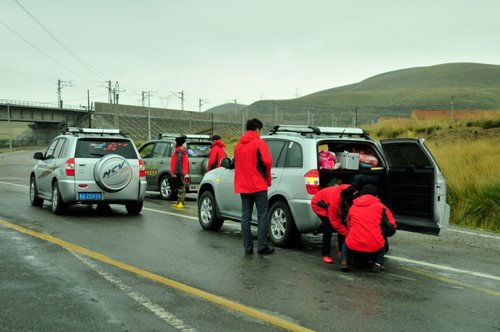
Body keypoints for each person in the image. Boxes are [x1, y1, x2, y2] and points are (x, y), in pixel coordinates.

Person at [234, 118, 274, 256]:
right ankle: (262, 247)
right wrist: (267, 180)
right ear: (257, 129)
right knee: (262, 216)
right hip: (258, 185)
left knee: (245, 217)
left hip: (243, 186)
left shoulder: (238, 145)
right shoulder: (259, 143)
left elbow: (236, 165)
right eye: (260, 130)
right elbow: (268, 162)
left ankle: (248, 248)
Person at [340, 184, 397, 272]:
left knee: (346, 241)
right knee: (382, 239)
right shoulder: (381, 207)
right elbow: (392, 228)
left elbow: (348, 226)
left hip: (353, 247)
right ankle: (377, 263)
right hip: (374, 248)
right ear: (376, 196)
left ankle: (344, 261)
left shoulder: (352, 207)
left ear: (361, 195)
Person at [311, 184, 356, 264]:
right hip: (320, 204)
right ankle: (326, 254)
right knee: (328, 227)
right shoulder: (334, 202)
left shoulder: (352, 192)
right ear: (344, 201)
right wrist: (347, 234)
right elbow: (335, 222)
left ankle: (341, 251)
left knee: (343, 224)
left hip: (333, 203)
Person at [170, 135, 189, 208]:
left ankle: (181, 202)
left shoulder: (180, 150)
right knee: (179, 186)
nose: (175, 143)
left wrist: (175, 172)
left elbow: (178, 162)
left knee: (181, 187)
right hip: (180, 171)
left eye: (176, 142)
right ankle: (179, 202)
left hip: (179, 171)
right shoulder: (180, 150)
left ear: (178, 143)